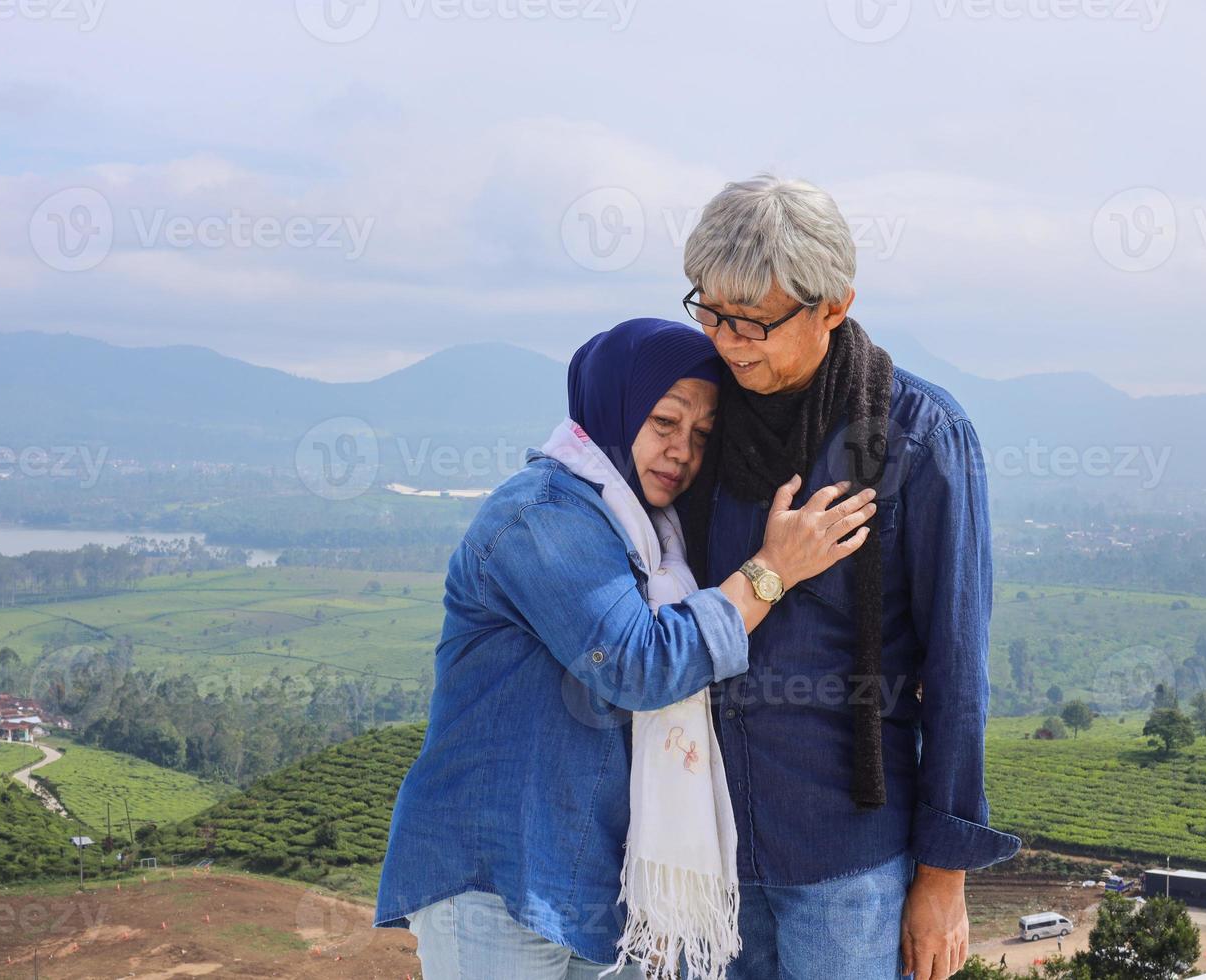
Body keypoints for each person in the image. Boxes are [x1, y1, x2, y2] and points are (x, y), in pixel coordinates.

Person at [374, 317, 877, 980]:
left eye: (701, 434)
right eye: (664, 422)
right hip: (499, 872)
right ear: (614, 407)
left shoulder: (651, 536)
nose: (682, 451)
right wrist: (770, 572)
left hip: (601, 885)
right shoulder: (544, 514)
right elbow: (640, 665)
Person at [675, 175, 1024, 980]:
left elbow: (957, 674)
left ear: (833, 305)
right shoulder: (698, 421)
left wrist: (943, 880)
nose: (729, 342)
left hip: (848, 862)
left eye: (755, 321)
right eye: (710, 311)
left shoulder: (918, 437)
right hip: (704, 852)